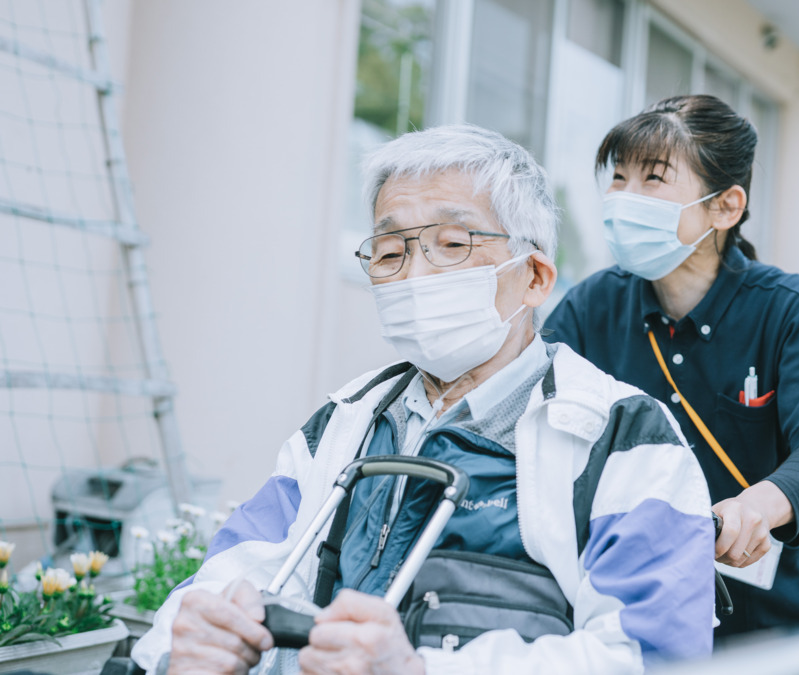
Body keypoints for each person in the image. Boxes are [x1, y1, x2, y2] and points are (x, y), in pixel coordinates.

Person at [130, 124, 716, 675]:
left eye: (452, 243)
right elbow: (229, 572)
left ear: (535, 277)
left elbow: (656, 654)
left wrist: (419, 668)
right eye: (389, 253)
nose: (414, 274)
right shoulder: (343, 423)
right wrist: (186, 639)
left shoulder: (622, 437)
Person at [544, 94, 799, 638]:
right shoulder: (591, 305)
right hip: (621, 604)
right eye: (619, 177)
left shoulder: (790, 309)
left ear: (725, 207)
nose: (625, 198)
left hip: (760, 614)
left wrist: (760, 505)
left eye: (653, 179)